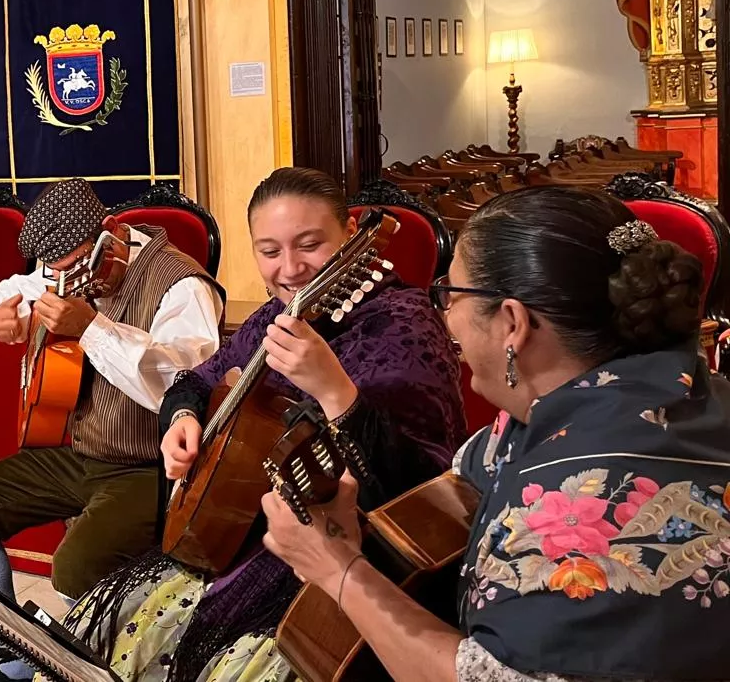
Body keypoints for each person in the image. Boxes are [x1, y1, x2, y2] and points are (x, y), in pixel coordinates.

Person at [262, 186, 730, 682]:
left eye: (451, 294)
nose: (445, 317)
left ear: (513, 322)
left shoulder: (569, 515)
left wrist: (336, 569)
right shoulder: (687, 390)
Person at [45, 167, 464, 682]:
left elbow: (420, 485)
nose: (290, 269)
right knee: (96, 638)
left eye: (310, 244)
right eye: (269, 252)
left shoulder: (402, 322)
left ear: (352, 232)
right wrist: (181, 419)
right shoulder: (275, 316)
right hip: (246, 531)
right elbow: (196, 380)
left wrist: (336, 392)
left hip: (344, 560)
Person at [0, 176, 225, 678]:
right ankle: (14, 655)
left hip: (153, 467)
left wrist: (90, 327)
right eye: (58, 270)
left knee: (75, 568)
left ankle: (63, 670)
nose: (68, 280)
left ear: (112, 233)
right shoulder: (70, 266)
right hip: (84, 450)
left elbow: (183, 385)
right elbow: (18, 287)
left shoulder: (183, 284)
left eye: (76, 266)